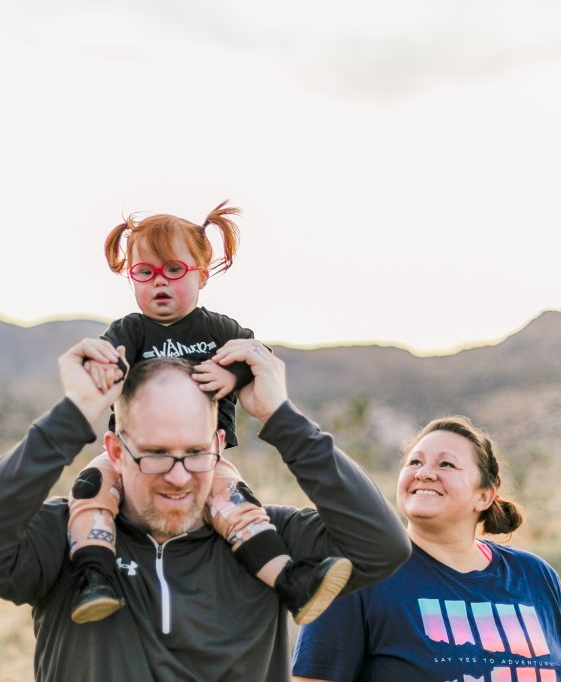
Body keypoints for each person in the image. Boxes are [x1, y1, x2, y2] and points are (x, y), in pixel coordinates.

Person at [0, 337, 411, 681]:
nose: (180, 476)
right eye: (156, 453)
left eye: (196, 452)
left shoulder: (269, 535)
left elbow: (383, 547)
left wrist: (281, 419)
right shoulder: (64, 536)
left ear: (221, 444)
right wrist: (72, 415)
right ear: (116, 450)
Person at [67, 200, 350, 627]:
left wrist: (232, 375)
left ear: (202, 272)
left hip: (203, 459)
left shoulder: (218, 329)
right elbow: (109, 361)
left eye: (173, 270)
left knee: (236, 505)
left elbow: (256, 356)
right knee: (91, 489)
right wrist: (104, 372)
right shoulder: (130, 330)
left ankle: (291, 581)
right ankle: (95, 579)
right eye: (144, 273)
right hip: (129, 456)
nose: (159, 283)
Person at [291, 416, 561, 682]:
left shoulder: (535, 577)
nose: (424, 473)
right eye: (415, 462)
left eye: (446, 464)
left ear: (485, 496)